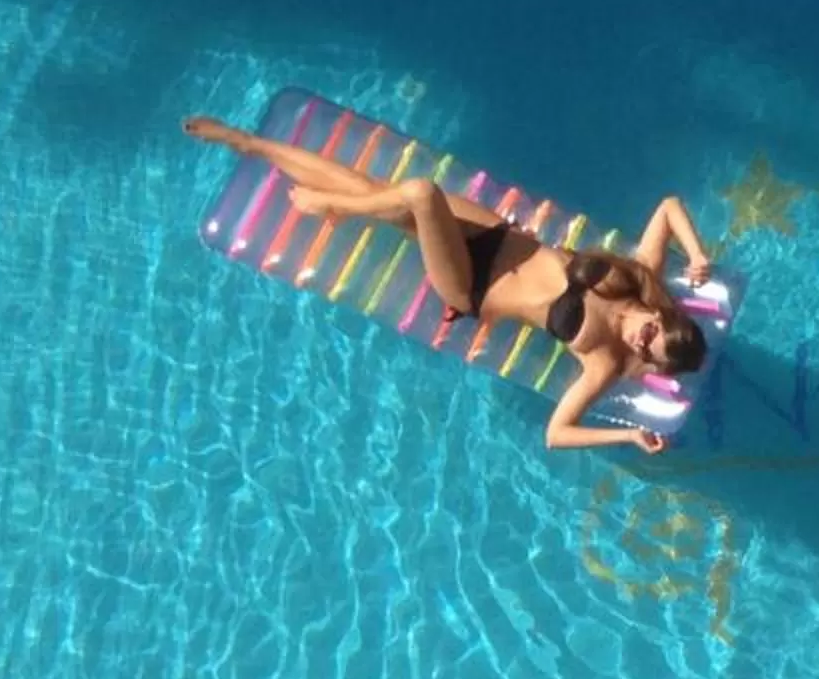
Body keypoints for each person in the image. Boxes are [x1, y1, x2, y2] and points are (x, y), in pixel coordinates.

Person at [184, 115, 713, 453]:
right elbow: (669, 206)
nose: (638, 339)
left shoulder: (606, 361)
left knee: (418, 194)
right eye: (650, 332)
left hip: (470, 285)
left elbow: (557, 434)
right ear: (660, 314)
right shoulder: (640, 278)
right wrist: (697, 255)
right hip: (495, 234)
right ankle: (249, 143)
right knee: (377, 188)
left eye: (646, 351)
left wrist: (627, 434)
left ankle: (332, 206)